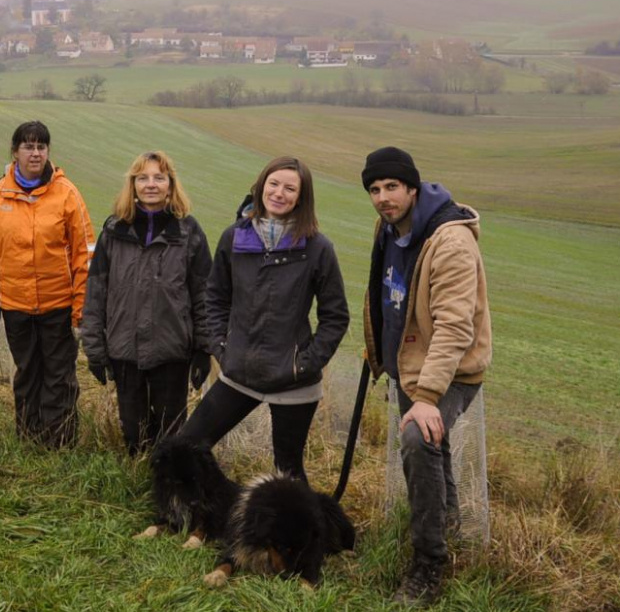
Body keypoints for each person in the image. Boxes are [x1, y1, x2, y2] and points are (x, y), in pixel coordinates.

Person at [360, 147, 492, 606]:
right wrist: (379, 351)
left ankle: (428, 565)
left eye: (391, 187)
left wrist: (428, 396)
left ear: (412, 188)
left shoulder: (450, 242)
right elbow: (384, 289)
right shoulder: (390, 229)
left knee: (419, 439)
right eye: (374, 189)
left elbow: (456, 327)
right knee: (433, 451)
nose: (382, 197)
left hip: (450, 371)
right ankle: (449, 528)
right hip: (410, 365)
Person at [179, 156, 349, 484]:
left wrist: (305, 363)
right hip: (239, 371)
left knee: (287, 470)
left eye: (290, 188)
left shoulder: (317, 247)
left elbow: (336, 315)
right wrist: (222, 348)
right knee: (188, 445)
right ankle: (206, 516)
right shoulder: (235, 238)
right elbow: (214, 297)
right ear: (260, 187)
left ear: (302, 197)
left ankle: (294, 534)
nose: (279, 193)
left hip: (293, 381)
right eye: (273, 184)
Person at [0, 120, 95, 449]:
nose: (35, 153)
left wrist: (81, 312)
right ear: (15, 152)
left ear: (48, 152)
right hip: (15, 307)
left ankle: (60, 446)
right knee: (26, 374)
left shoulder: (67, 194)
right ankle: (29, 443)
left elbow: (85, 257)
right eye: (28, 146)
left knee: (58, 376)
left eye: (41, 147)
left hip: (58, 304)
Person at [81, 151, 212, 456]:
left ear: (171, 184)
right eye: (143, 178)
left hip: (172, 352)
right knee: (133, 432)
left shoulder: (189, 232)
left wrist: (204, 349)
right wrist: (95, 350)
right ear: (133, 184)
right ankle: (137, 488)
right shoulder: (114, 231)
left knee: (172, 435)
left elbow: (204, 295)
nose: (151, 184)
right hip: (125, 352)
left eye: (159, 177)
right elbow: (95, 293)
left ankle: (170, 492)